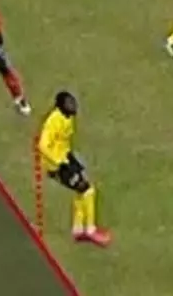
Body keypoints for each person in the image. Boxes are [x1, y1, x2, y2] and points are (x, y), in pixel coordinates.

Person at [36, 91, 111, 247]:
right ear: (61, 106)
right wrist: (59, 162)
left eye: (73, 102)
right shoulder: (53, 121)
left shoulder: (68, 119)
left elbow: (63, 142)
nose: (73, 106)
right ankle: (90, 231)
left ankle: (78, 231)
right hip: (56, 166)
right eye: (69, 103)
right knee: (87, 190)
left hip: (65, 158)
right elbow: (42, 145)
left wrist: (71, 158)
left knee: (81, 190)